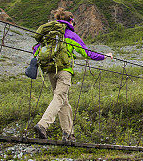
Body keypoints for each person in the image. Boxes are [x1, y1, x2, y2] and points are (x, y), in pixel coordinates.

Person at [31, 8, 112, 142]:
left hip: (51, 71)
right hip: (64, 71)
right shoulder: (70, 34)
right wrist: (104, 56)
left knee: (64, 102)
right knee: (59, 98)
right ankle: (43, 125)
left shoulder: (50, 34)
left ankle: (68, 134)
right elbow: (87, 53)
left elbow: (35, 50)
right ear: (71, 21)